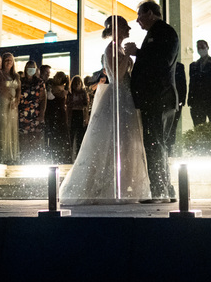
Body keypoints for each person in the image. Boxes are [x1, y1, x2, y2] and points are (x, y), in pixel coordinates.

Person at [60, 16, 151, 205]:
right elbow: (116, 76)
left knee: (125, 144)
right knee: (110, 142)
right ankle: (103, 187)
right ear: (116, 28)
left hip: (126, 98)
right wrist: (128, 55)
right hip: (116, 97)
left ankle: (123, 185)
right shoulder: (111, 48)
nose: (129, 29)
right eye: (125, 26)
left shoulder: (119, 48)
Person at [125, 0, 179, 203]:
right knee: (157, 144)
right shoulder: (155, 33)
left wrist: (137, 52)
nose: (137, 21)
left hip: (159, 98)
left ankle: (159, 191)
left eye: (139, 15)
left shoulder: (165, 32)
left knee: (156, 144)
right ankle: (166, 189)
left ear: (150, 13)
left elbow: (161, 61)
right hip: (154, 99)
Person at [187, 39, 211, 125]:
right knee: (199, 127)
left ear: (207, 47)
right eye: (198, 47)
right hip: (197, 101)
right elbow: (191, 84)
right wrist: (190, 100)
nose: (200, 49)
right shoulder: (193, 66)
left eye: (202, 47)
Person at [0, 52, 20, 164]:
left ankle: (12, 156)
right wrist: (10, 98)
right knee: (2, 127)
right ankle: (1, 155)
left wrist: (16, 100)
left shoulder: (16, 76)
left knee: (12, 127)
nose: (8, 62)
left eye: (10, 60)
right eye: (6, 60)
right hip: (2, 102)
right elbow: (1, 87)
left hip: (13, 104)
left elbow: (19, 89)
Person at [18, 60, 46, 162]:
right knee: (24, 139)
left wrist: (42, 114)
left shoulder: (39, 82)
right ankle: (24, 160)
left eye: (33, 67)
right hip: (23, 114)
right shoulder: (21, 81)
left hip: (36, 114)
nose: (31, 69)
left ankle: (36, 160)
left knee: (36, 138)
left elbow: (43, 99)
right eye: (29, 67)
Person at [46, 71, 71, 163]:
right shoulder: (52, 85)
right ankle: (55, 155)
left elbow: (57, 94)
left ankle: (62, 156)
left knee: (60, 135)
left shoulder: (62, 90)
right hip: (53, 114)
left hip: (59, 114)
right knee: (53, 136)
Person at [67, 75, 90, 161]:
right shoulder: (70, 94)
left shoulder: (83, 93)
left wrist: (85, 118)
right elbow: (69, 105)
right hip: (73, 114)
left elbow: (86, 106)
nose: (77, 85)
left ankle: (79, 156)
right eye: (75, 83)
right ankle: (70, 156)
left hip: (80, 114)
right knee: (72, 136)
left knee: (80, 137)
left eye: (78, 83)